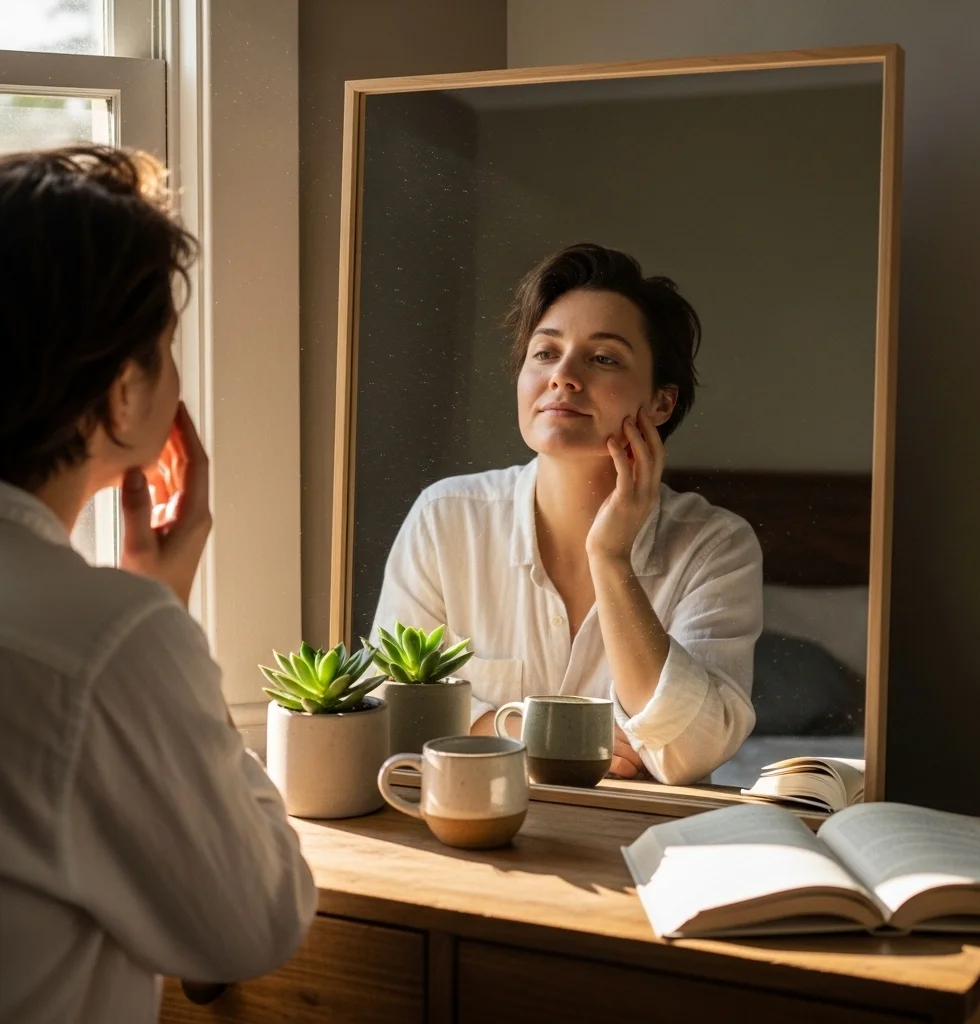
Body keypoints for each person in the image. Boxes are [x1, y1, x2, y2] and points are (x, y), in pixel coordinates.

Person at [0, 147, 316, 1023]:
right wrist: (160, 613)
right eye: (169, 350)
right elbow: (252, 924)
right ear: (123, 391)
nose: (179, 382)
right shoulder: (105, 638)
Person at [373, 243, 763, 786]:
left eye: (603, 358)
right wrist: (545, 739)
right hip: (472, 820)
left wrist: (611, 558)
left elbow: (689, 753)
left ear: (661, 403)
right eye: (545, 352)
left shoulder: (715, 546)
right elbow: (390, 704)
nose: (563, 376)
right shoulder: (447, 518)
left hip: (646, 832)